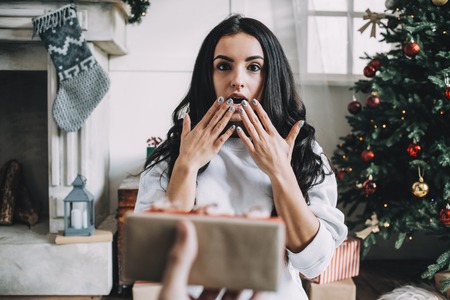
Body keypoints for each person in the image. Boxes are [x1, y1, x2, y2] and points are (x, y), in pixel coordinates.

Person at [135, 14, 348, 299]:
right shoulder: (173, 154)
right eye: (223, 66)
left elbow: (315, 263)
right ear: (206, 77)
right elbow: (153, 262)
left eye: (254, 67)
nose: (237, 81)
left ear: (271, 77)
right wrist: (186, 166)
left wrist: (280, 171)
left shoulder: (302, 150)